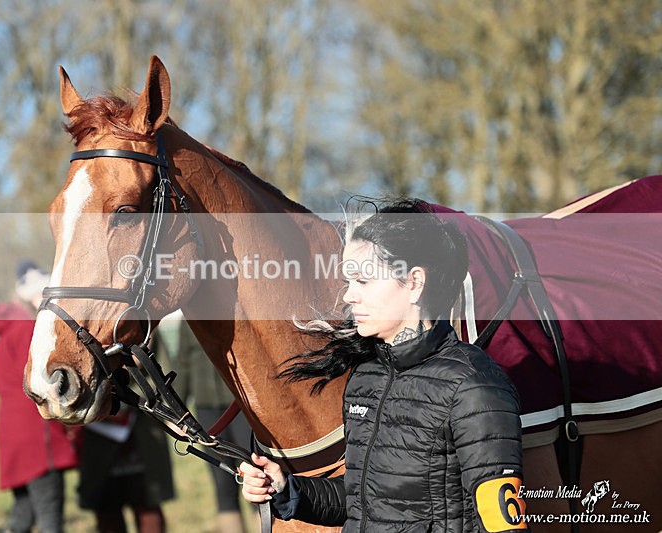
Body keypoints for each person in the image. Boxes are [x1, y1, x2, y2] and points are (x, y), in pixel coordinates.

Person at [239, 198, 528, 532]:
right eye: (349, 282)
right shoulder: (366, 377)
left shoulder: (475, 387)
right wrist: (286, 489)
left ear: (415, 283)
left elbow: (504, 525)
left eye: (364, 281)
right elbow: (363, 501)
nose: (348, 296)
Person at [0, 260, 79, 533]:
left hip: (14, 435)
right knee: (50, 517)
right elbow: (43, 385)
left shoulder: (9, 330)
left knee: (22, 515)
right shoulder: (30, 330)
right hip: (39, 438)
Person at [77, 332, 176, 533]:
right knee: (107, 510)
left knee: (148, 508)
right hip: (99, 432)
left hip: (142, 429)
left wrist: (133, 401)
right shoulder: (81, 327)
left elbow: (164, 375)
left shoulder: (144, 327)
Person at [170, 320, 253, 533]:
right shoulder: (187, 320)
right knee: (222, 485)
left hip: (241, 407)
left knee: (253, 477)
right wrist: (177, 413)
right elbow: (183, 362)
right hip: (206, 408)